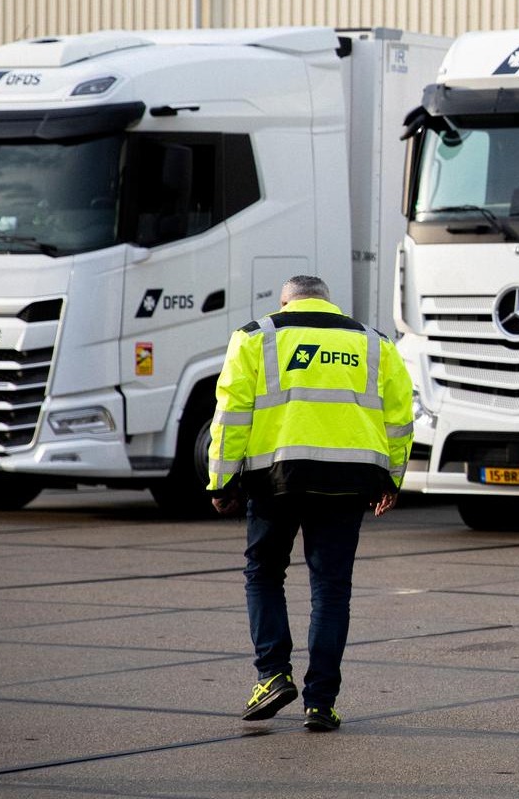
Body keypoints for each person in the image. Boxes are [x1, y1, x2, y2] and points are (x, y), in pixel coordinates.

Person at [207, 275, 414, 732]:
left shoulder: (255, 337)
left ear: (286, 300)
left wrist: (221, 481)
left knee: (263, 574)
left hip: (274, 479)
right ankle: (321, 702)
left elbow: (231, 414)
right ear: (328, 302)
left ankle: (272, 675)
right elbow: (399, 417)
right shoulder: (375, 344)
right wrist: (392, 480)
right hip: (346, 481)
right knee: (331, 590)